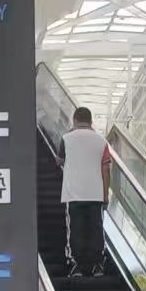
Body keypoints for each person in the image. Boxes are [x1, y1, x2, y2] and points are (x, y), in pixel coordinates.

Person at [59, 105, 113, 276]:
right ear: (91, 121)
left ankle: (75, 265)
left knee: (75, 230)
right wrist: (105, 195)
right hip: (95, 194)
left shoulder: (66, 139)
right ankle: (98, 265)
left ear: (74, 120)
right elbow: (106, 169)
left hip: (73, 193)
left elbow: (59, 160)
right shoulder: (102, 141)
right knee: (96, 229)